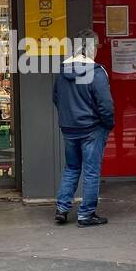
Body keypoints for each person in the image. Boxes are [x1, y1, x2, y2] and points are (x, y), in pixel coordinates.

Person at [52, 28, 115, 227]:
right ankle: (86, 214)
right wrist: (107, 124)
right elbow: (106, 104)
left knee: (71, 168)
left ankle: (62, 209)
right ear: (92, 48)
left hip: (69, 127)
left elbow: (56, 98)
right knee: (91, 172)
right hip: (91, 128)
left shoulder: (63, 71)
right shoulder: (96, 72)